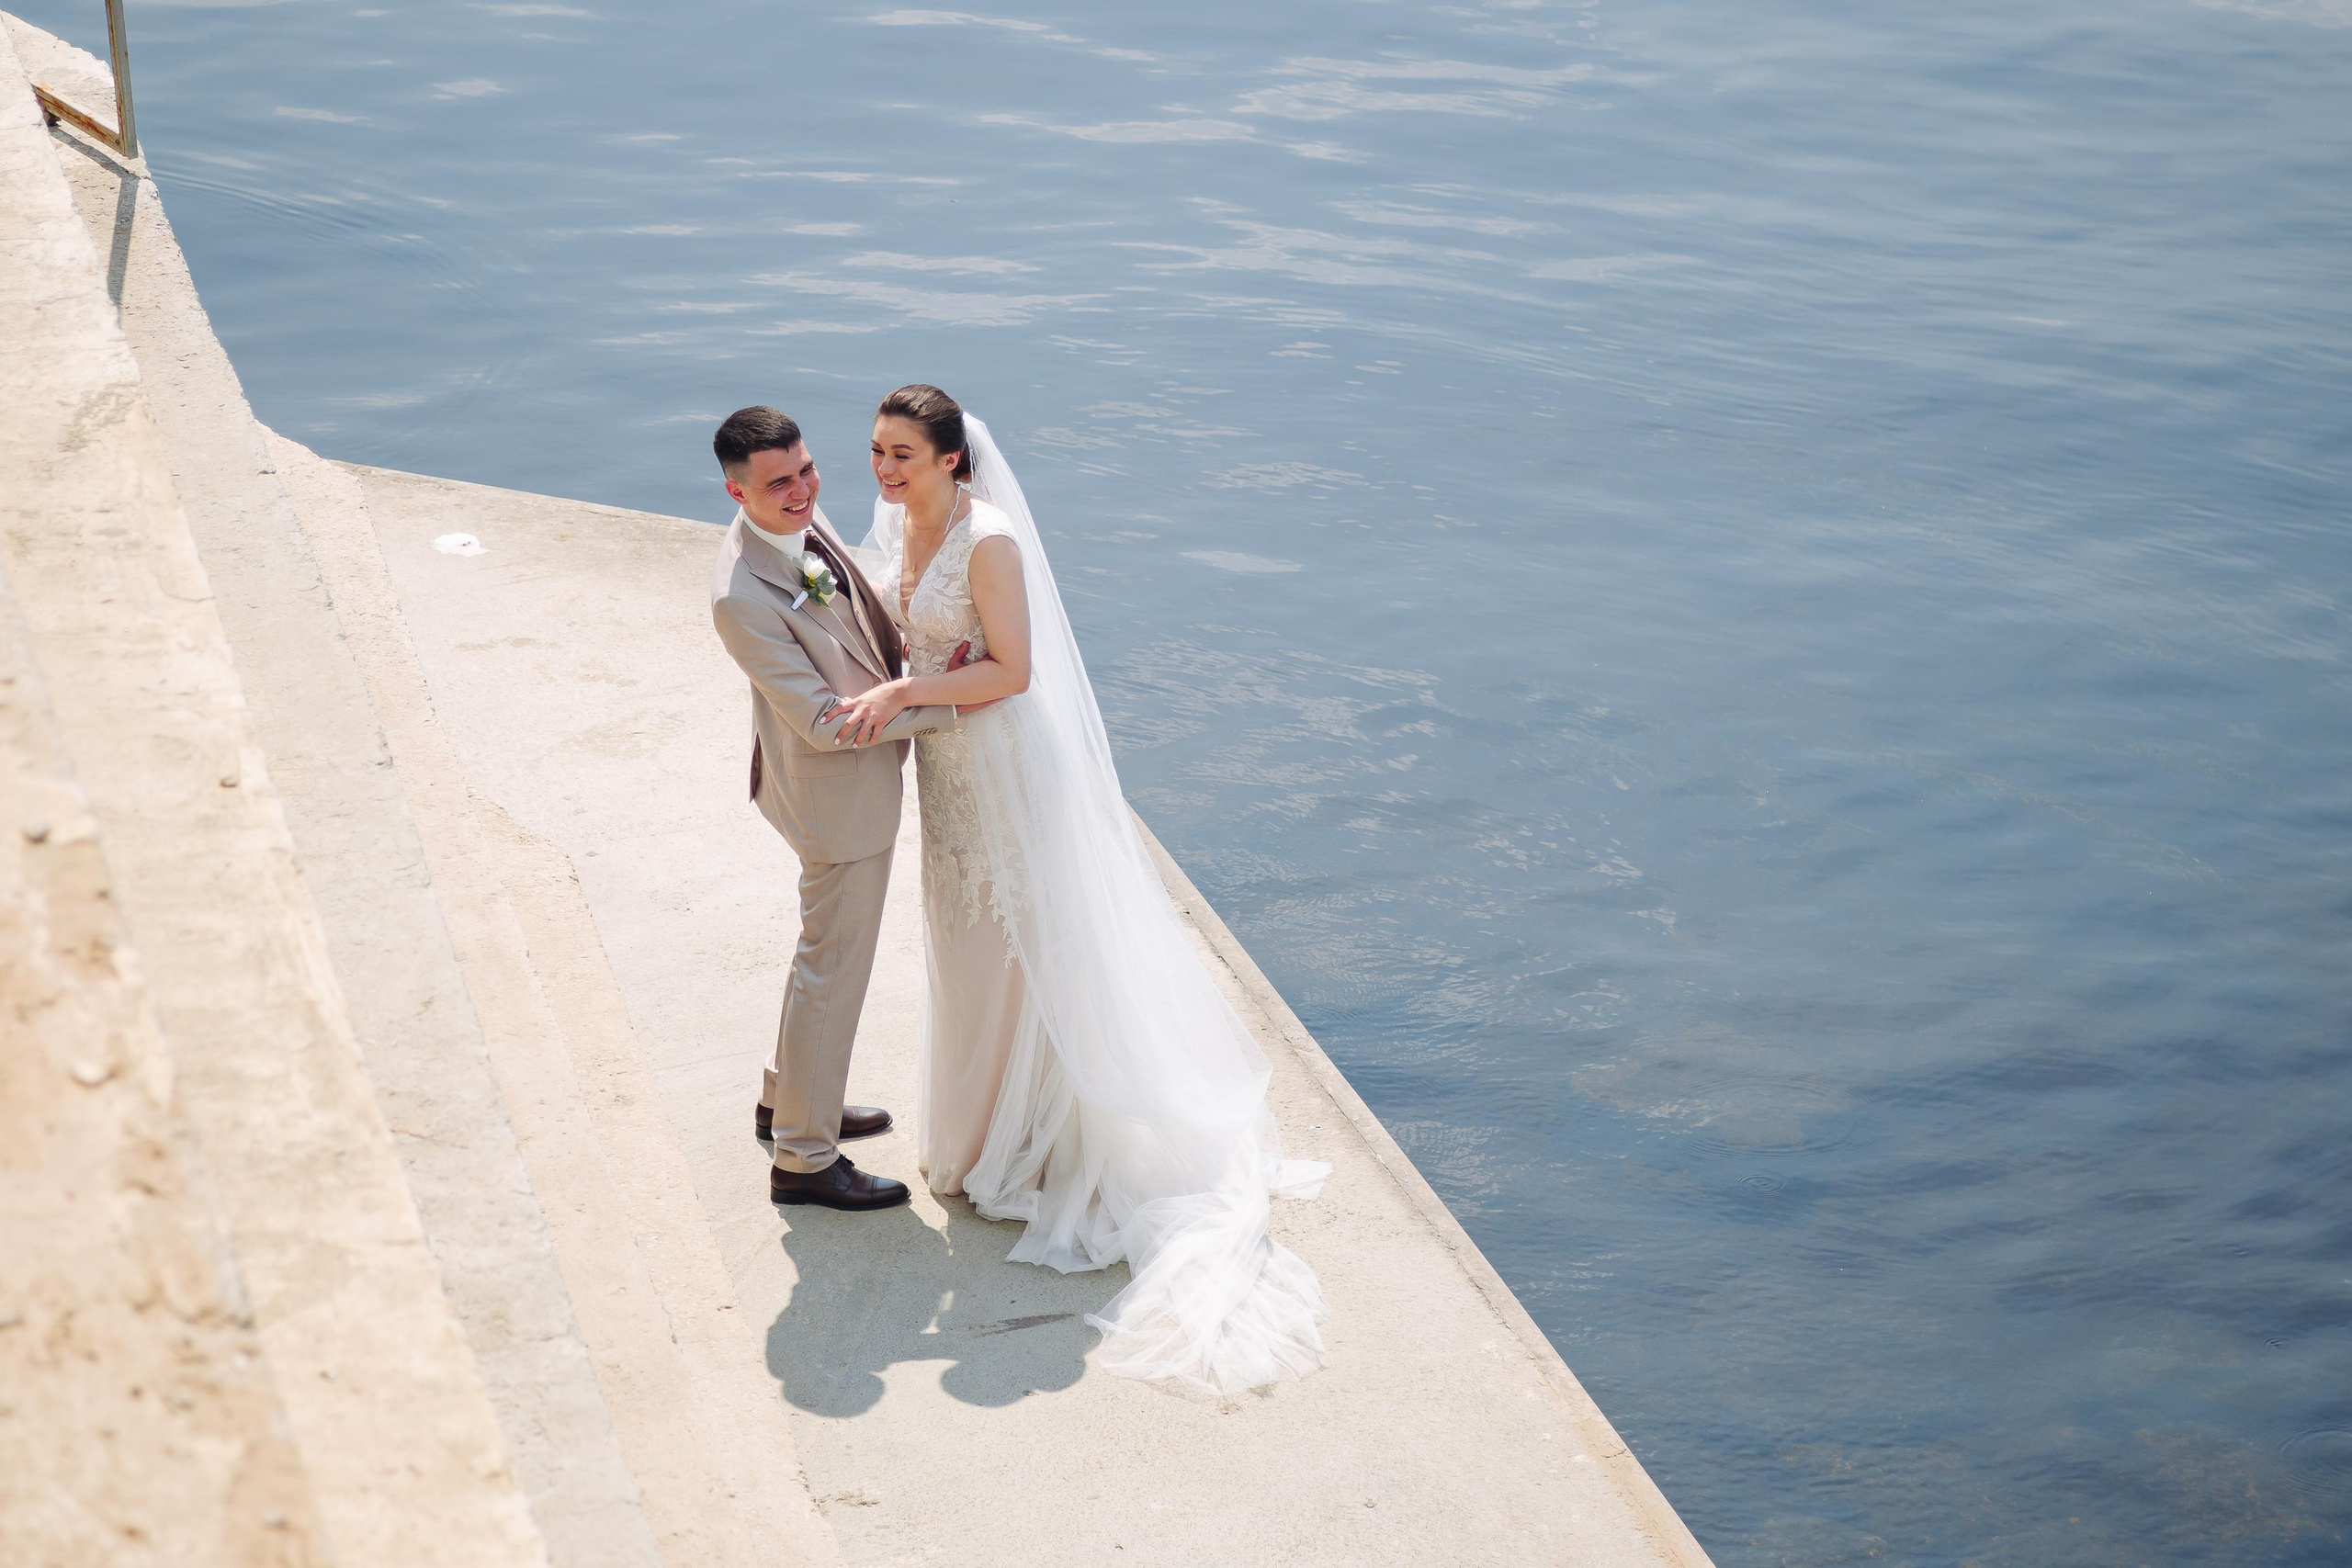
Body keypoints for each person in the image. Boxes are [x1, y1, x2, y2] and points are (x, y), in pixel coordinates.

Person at [824, 385, 1330, 1393]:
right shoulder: (894, 523)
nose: (884, 471)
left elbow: (1011, 672)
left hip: (1004, 766)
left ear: (952, 461)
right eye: (877, 452)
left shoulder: (991, 541)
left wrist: (905, 690)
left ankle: (1042, 1143)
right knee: (966, 949)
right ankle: (975, 1141)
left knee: (1021, 948)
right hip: (948, 773)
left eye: (903, 457)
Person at [707, 405, 958, 1211]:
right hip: (834, 802)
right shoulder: (741, 595)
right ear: (736, 491)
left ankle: (789, 1102)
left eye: (807, 468)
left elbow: (861, 618)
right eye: (779, 482)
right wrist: (950, 705)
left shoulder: (801, 528)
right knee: (833, 972)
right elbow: (821, 720)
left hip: (841, 793)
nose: (802, 488)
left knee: (822, 957)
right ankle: (805, 1159)